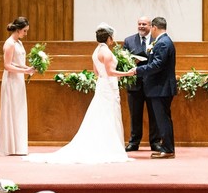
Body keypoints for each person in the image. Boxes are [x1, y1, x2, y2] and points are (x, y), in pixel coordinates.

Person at [26, 23, 135, 163]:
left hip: (103, 85)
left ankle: (104, 145)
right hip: (109, 86)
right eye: (112, 37)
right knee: (109, 115)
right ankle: (109, 147)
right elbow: (110, 72)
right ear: (109, 38)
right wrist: (128, 72)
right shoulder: (106, 52)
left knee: (101, 115)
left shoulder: (96, 51)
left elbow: (97, 72)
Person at [132, 17, 177, 159]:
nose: (150, 31)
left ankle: (168, 149)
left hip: (161, 87)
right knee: (163, 119)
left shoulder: (163, 43)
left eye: (151, 28)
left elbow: (157, 65)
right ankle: (166, 147)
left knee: (163, 119)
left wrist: (137, 70)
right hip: (159, 87)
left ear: (155, 28)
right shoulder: (163, 41)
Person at [0, 17, 35, 156]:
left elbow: (17, 62)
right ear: (18, 30)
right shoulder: (10, 43)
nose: (26, 33)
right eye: (24, 31)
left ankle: (18, 146)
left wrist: (28, 68)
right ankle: (9, 146)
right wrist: (24, 71)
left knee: (18, 110)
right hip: (11, 80)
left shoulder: (19, 42)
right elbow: (7, 65)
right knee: (11, 109)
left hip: (18, 79)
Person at [123, 16, 160, 152]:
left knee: (154, 115)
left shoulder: (157, 40)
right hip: (135, 84)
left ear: (150, 26)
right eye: (139, 24)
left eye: (144, 24)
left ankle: (155, 142)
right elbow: (123, 62)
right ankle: (134, 142)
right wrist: (132, 62)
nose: (141, 26)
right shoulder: (129, 40)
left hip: (152, 83)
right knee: (135, 115)